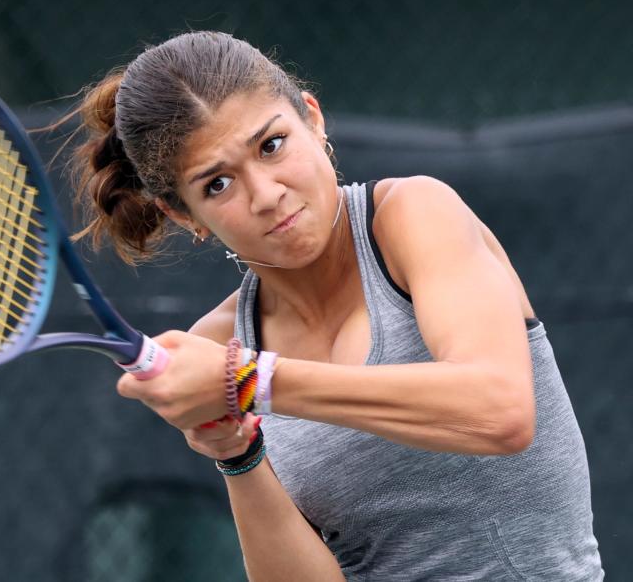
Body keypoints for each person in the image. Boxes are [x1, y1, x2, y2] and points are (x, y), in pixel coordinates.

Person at [67, 31, 604, 580]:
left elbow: (499, 412)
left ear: (313, 118)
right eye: (219, 183)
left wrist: (251, 381)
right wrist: (238, 453)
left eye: (271, 145)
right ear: (184, 215)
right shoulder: (220, 346)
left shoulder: (414, 214)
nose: (266, 193)